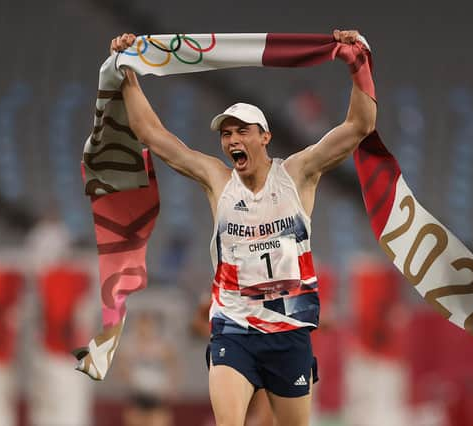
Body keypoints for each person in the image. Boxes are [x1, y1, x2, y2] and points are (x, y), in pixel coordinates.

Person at [110, 29, 376, 426]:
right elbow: (152, 135)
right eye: (226, 133)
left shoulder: (298, 175)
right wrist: (126, 72)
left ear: (265, 137)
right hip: (233, 327)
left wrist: (360, 66)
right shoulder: (218, 181)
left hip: (289, 329)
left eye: (242, 131)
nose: (232, 139)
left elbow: (359, 126)